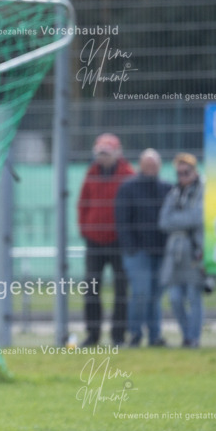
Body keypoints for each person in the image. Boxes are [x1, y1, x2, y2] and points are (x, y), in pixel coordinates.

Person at [76, 133, 135, 347]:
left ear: (116, 154)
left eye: (106, 153)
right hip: (94, 242)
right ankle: (93, 335)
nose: (102, 157)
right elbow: (83, 204)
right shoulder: (91, 174)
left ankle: (118, 336)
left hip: (119, 242)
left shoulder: (128, 174)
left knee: (121, 290)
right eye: (99, 153)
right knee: (91, 288)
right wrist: (86, 229)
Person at [114, 149, 172, 347]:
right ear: (140, 165)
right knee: (140, 293)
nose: (151, 169)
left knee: (155, 296)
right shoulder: (128, 188)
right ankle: (135, 334)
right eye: (147, 165)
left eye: (154, 165)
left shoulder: (167, 188)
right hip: (137, 252)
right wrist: (131, 248)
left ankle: (155, 336)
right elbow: (122, 222)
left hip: (161, 252)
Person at [159, 153, 205, 348]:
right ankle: (186, 335)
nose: (182, 177)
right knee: (175, 298)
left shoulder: (203, 192)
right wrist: (184, 220)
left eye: (186, 172)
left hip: (195, 252)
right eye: (179, 173)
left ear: (194, 172)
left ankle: (194, 338)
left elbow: (199, 217)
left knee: (194, 297)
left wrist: (178, 220)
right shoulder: (173, 193)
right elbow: (164, 221)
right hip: (174, 254)